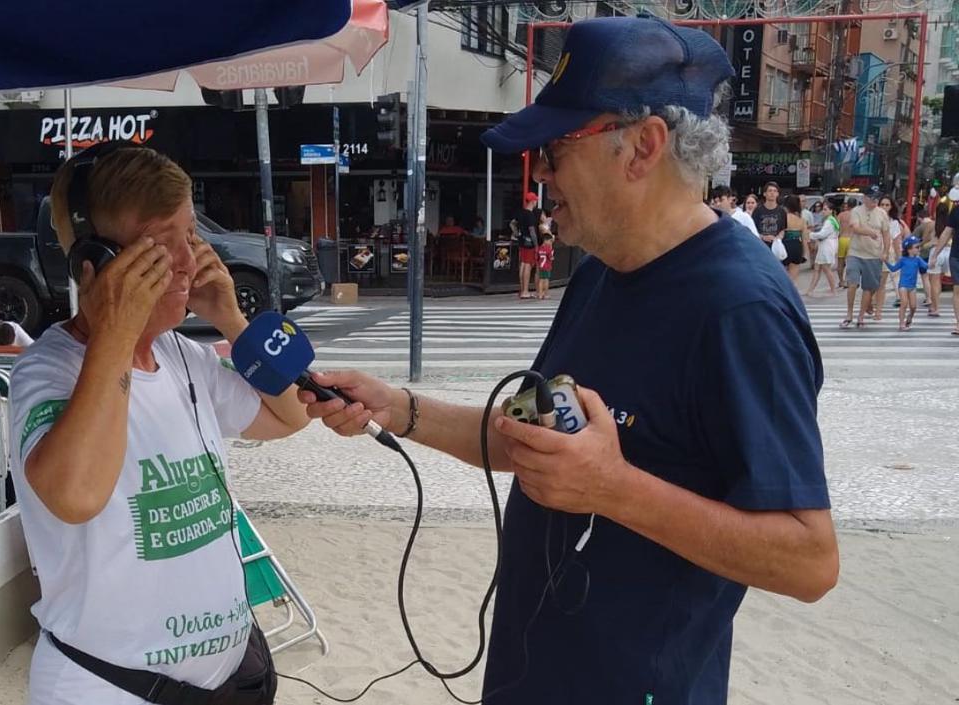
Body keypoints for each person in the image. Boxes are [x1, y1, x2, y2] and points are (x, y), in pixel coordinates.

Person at [300, 16, 837, 704]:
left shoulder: (741, 308)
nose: (541, 173)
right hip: (531, 671)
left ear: (643, 146)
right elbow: (525, 438)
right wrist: (396, 407)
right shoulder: (598, 273)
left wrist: (613, 487)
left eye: (555, 149)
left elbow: (810, 558)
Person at [9, 143, 309, 705]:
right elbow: (75, 495)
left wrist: (229, 316)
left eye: (189, 235)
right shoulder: (47, 373)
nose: (186, 262)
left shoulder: (178, 355)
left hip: (229, 680)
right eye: (156, 245)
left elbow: (286, 415)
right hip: (109, 687)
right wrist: (116, 330)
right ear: (94, 262)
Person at [840, 186, 891, 329]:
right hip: (855, 252)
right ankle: (849, 314)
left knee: (869, 287)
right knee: (852, 283)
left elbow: (886, 235)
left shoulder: (882, 214)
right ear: (865, 198)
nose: (875, 201)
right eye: (872, 198)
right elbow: (854, 227)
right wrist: (869, 232)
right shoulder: (856, 211)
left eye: (877, 198)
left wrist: (886, 251)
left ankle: (861, 315)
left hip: (874, 254)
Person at [928, 197, 959, 335]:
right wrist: (935, 254)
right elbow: (947, 232)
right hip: (956, 255)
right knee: (957, 291)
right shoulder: (956, 211)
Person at [874, 195, 908, 318]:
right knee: (870, 283)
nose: (884, 207)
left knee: (881, 284)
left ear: (891, 207)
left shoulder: (894, 223)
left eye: (887, 205)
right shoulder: (873, 218)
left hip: (887, 254)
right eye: (882, 204)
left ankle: (878, 310)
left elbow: (896, 241)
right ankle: (870, 304)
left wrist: (900, 259)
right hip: (871, 253)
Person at [886, 236, 928, 331]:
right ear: (909, 249)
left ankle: (909, 318)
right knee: (904, 303)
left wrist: (933, 263)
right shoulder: (903, 260)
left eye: (919, 247)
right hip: (903, 285)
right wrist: (886, 261)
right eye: (916, 247)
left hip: (912, 286)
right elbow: (893, 269)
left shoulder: (918, 259)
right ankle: (901, 324)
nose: (919, 249)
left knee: (913, 306)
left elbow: (926, 266)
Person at [804, 198, 840, 296]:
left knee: (826, 269)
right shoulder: (830, 220)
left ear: (831, 211)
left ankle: (833, 290)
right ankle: (810, 290)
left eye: (825, 209)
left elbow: (822, 234)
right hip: (825, 245)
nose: (823, 211)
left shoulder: (829, 221)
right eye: (823, 209)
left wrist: (810, 234)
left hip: (827, 246)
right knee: (817, 268)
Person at [514, 192, 540, 299]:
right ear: (533, 201)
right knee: (528, 265)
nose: (536, 202)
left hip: (521, 241)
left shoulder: (521, 213)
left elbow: (512, 223)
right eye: (536, 200)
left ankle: (522, 289)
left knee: (523, 264)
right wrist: (536, 244)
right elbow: (532, 231)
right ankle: (525, 291)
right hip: (529, 242)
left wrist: (516, 234)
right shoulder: (530, 215)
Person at [753, 182, 787, 256]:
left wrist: (777, 238)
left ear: (778, 194)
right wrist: (763, 237)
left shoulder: (782, 211)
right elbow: (753, 229)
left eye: (775, 191)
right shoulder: (758, 210)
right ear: (764, 193)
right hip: (761, 245)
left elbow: (783, 229)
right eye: (770, 191)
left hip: (776, 246)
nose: (772, 193)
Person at [782, 195, 807, 281]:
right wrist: (804, 254)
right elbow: (805, 239)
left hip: (785, 244)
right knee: (793, 276)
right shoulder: (801, 220)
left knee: (782, 274)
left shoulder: (783, 217)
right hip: (797, 245)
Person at [837, 197, 858, 283]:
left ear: (847, 205)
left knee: (840, 262)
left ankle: (841, 281)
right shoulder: (856, 215)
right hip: (852, 240)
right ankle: (847, 280)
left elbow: (837, 227)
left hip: (842, 239)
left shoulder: (841, 215)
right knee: (850, 262)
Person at [536, 231, 555, 299]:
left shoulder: (539, 248)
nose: (550, 243)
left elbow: (537, 258)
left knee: (541, 280)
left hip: (541, 266)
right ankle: (546, 293)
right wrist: (552, 257)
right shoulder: (548, 249)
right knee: (546, 280)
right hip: (547, 267)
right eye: (550, 241)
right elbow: (551, 258)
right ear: (545, 241)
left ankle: (540, 293)